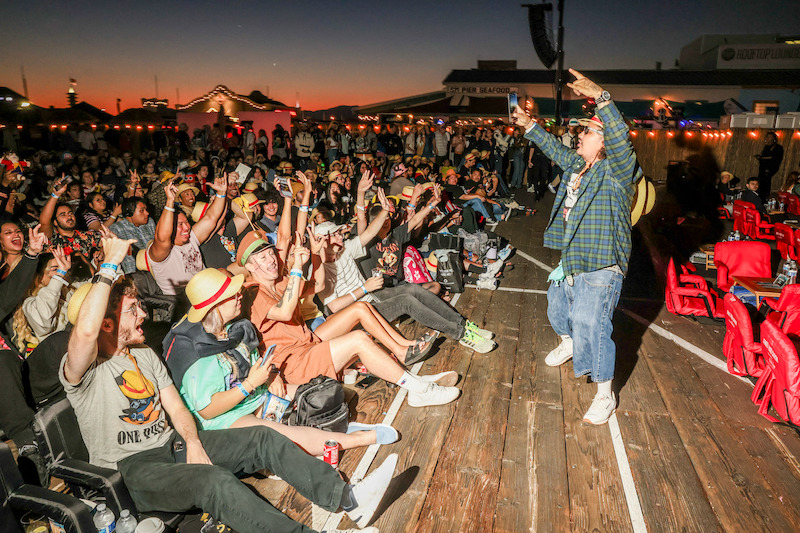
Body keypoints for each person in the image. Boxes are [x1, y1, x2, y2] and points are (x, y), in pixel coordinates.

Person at [60, 234, 397, 533]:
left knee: (264, 436)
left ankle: (350, 500)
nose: (144, 315)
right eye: (133, 310)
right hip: (130, 468)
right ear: (106, 323)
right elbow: (85, 333)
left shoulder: (143, 353)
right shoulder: (83, 372)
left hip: (174, 445)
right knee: (215, 481)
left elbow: (176, 406)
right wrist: (108, 266)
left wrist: (192, 441)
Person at [512, 68, 641, 425]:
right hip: (573, 258)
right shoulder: (578, 166)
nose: (579, 135)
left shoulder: (617, 171)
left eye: (586, 131)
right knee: (557, 305)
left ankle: (605, 394)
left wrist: (602, 97)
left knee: (590, 321)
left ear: (603, 141)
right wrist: (527, 124)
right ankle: (569, 343)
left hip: (602, 263)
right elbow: (553, 146)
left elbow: (620, 137)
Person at [162, 268, 399, 454]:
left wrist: (272, 375)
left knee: (322, 392)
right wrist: (251, 385)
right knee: (277, 433)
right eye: (231, 294)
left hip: (253, 396)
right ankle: (352, 440)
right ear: (215, 306)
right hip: (227, 417)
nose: (239, 296)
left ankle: (334, 430)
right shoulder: (199, 355)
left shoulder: (234, 329)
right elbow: (208, 410)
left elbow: (256, 364)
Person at [146, 176, 227, 296]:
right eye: (180, 224)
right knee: (223, 274)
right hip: (184, 302)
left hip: (206, 288)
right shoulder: (160, 252)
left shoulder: (191, 238)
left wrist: (221, 193)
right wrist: (170, 201)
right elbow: (161, 237)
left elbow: (211, 217)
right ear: (169, 228)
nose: (187, 227)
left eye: (186, 222)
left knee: (233, 271)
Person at [109, 197, 156, 273]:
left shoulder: (150, 222)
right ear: (129, 213)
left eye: (146, 210)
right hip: (137, 273)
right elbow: (127, 259)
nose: (147, 213)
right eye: (142, 211)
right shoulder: (117, 229)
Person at [755, 131, 784, 202]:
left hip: (770, 168)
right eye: (767, 137)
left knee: (766, 183)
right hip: (763, 167)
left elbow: (775, 158)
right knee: (760, 182)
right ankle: (759, 197)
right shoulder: (766, 147)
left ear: (774, 138)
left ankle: (764, 199)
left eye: (770, 137)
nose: (768, 138)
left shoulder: (778, 147)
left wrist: (763, 158)